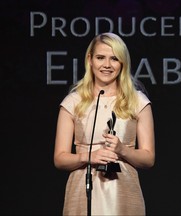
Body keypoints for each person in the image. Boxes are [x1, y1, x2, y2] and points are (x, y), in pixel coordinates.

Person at [54, 32, 155, 215]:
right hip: (83, 192)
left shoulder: (138, 101)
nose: (107, 65)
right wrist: (88, 156)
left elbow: (148, 158)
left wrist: (122, 150)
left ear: (122, 63)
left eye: (114, 59)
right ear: (90, 60)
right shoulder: (73, 102)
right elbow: (60, 158)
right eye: (100, 58)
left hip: (123, 193)